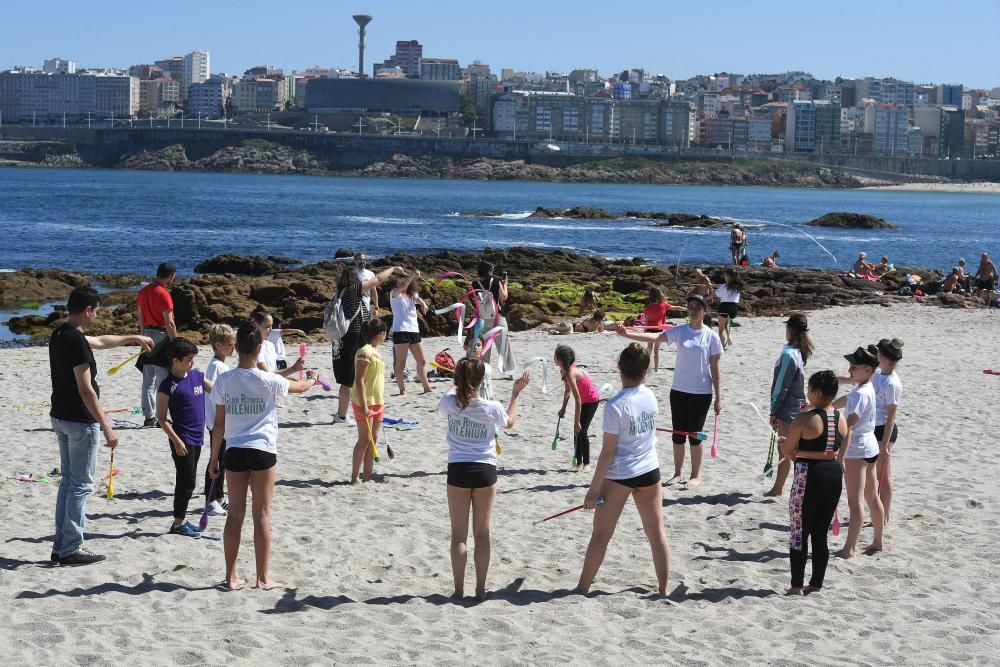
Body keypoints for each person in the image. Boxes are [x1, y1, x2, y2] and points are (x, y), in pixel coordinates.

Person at [208, 320, 317, 590]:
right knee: (262, 515)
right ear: (259, 348)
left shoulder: (224, 379)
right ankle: (262, 578)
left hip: (234, 451)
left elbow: (219, 424)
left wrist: (213, 460)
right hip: (262, 449)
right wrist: (313, 379)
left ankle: (231, 577)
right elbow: (300, 388)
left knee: (235, 515)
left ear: (237, 349)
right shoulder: (268, 380)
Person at [49, 286, 153, 565]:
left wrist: (132, 337)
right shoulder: (75, 341)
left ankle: (61, 545)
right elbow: (86, 390)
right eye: (96, 311)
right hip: (80, 421)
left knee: (69, 482)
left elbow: (98, 341)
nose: (97, 315)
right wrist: (107, 426)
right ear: (88, 310)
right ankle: (70, 547)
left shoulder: (61, 333)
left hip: (60, 416)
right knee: (80, 485)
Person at [575, 343, 671, 595]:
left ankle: (582, 588)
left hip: (622, 472)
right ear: (646, 370)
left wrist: (593, 490)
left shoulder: (615, 404)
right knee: (656, 532)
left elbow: (608, 451)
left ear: (620, 367)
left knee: (602, 534)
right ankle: (663, 589)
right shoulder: (649, 395)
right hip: (650, 469)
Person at [438, 358, 529, 601]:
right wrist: (516, 394)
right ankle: (479, 589)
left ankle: (458, 590)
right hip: (484, 470)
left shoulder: (449, 402)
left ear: (458, 380)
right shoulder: (492, 407)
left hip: (458, 469)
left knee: (458, 535)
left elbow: (450, 394)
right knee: (482, 534)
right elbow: (510, 422)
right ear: (482, 381)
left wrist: (457, 383)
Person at [617, 294, 722, 486]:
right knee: (678, 434)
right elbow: (655, 336)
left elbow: (715, 368)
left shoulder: (711, 337)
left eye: (698, 306)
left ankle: (695, 475)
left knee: (695, 434)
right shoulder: (680, 331)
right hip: (679, 390)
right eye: (690, 306)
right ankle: (677, 473)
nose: (693, 309)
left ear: (705, 310)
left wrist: (718, 397)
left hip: (701, 392)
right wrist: (627, 334)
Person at [780, 370, 846, 595]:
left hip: (809, 475)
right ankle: (816, 583)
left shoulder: (803, 419)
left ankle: (797, 585)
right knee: (820, 533)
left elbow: (788, 450)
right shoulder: (840, 417)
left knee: (799, 531)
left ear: (816, 392)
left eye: (810, 390)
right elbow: (834, 447)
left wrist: (787, 445)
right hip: (834, 475)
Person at [156, 338, 214, 537]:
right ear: (175, 360)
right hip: (182, 439)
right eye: (189, 359)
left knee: (189, 480)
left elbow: (217, 390)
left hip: (198, 436)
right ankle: (178, 523)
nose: (193, 362)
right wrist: (177, 441)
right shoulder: (167, 385)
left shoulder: (197, 376)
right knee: (187, 481)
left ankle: (180, 521)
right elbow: (161, 418)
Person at [331, 263, 400, 424]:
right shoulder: (353, 290)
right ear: (354, 281)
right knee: (350, 380)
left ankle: (341, 414)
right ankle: (341, 416)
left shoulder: (339, 293)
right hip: (353, 339)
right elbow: (378, 279)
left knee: (347, 380)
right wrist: (393, 269)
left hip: (341, 340)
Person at [834, 346, 884, 558]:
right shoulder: (866, 388)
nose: (850, 369)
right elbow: (841, 401)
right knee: (872, 496)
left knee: (855, 502)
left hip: (857, 451)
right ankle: (878, 541)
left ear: (868, 369)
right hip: (871, 447)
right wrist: (815, 407)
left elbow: (849, 427)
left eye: (854, 367)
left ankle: (849, 549)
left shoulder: (860, 393)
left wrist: (840, 456)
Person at [765, 313, 813, 497]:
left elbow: (780, 387)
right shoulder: (799, 352)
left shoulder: (789, 354)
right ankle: (779, 488)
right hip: (798, 407)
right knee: (791, 451)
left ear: (790, 330)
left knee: (787, 451)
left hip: (788, 410)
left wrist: (773, 411)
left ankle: (779, 489)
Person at [137, 262, 177, 428]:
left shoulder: (143, 291)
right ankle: (162, 418)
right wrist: (175, 342)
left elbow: (140, 318)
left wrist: (141, 336)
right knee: (163, 381)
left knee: (147, 381)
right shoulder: (164, 294)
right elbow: (169, 323)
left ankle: (148, 417)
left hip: (146, 335)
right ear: (169, 277)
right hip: (161, 337)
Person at [352, 319, 388, 484]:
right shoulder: (364, 352)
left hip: (378, 401)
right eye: (384, 332)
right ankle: (355, 477)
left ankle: (367, 476)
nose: (385, 335)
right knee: (365, 439)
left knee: (373, 438)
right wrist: (364, 405)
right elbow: (359, 380)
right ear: (380, 334)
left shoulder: (376, 352)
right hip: (364, 401)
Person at [203, 324, 234, 517]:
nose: (233, 348)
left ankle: (219, 496)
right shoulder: (216, 366)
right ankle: (210, 498)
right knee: (215, 459)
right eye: (229, 344)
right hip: (216, 420)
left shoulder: (220, 364)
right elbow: (214, 390)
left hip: (221, 419)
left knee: (223, 459)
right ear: (218, 345)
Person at [554, 344, 601, 472]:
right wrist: (563, 408)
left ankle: (587, 464)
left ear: (559, 359)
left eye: (555, 356)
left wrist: (576, 422)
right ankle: (578, 462)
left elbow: (578, 399)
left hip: (591, 400)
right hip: (583, 400)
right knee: (576, 432)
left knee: (582, 431)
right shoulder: (563, 372)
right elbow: (568, 390)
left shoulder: (570, 373)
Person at [873, 338, 903, 524]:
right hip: (873, 427)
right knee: (876, 475)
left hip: (885, 430)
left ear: (883, 357)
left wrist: (885, 444)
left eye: (879, 351)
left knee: (883, 474)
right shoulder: (878, 373)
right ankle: (879, 512)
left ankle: (884, 514)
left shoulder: (892, 383)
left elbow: (892, 416)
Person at [390, 270, 432, 395]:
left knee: (422, 361)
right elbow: (403, 286)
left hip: (414, 329)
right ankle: (402, 390)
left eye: (404, 278)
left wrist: (423, 303)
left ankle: (426, 387)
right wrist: (412, 276)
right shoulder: (394, 293)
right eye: (400, 279)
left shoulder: (411, 294)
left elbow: (418, 299)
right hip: (400, 330)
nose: (402, 281)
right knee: (401, 362)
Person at [472, 261, 516, 372]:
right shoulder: (496, 281)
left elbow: (474, 301)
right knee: (504, 345)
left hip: (482, 318)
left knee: (483, 347)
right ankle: (509, 370)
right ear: (489, 271)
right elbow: (504, 296)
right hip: (498, 317)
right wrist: (505, 284)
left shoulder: (474, 283)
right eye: (492, 270)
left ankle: (483, 370)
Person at [251, 311, 304, 378]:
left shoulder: (270, 345)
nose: (271, 330)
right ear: (256, 325)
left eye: (271, 326)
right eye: (267, 326)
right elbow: (268, 376)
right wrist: (294, 368)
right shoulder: (253, 348)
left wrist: (286, 378)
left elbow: (273, 371)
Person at [642, 287, 673, 372]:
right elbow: (675, 307)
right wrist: (686, 309)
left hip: (650, 329)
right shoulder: (664, 305)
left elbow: (646, 320)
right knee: (656, 351)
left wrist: (645, 330)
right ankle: (656, 369)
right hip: (659, 330)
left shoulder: (649, 307)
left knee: (649, 349)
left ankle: (646, 368)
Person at [714, 268, 743, 349]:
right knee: (726, 323)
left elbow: (716, 294)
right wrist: (714, 285)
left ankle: (722, 346)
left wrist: (706, 298)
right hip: (734, 309)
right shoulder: (738, 286)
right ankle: (729, 339)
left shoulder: (724, 286)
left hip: (724, 308)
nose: (724, 277)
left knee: (721, 329)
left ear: (729, 276)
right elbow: (725, 286)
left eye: (725, 275)